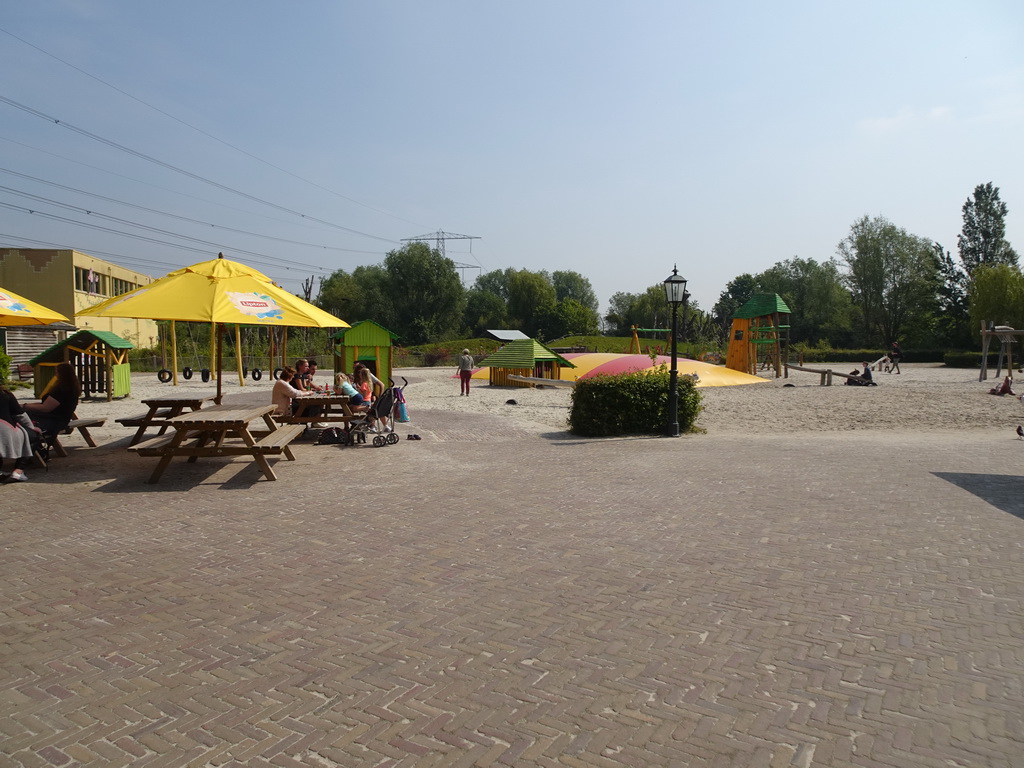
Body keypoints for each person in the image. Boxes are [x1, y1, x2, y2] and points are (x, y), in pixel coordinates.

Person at [23, 362, 81, 435]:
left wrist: (25, 406)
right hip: (62, 419)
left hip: (53, 420)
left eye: (56, 372)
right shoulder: (72, 388)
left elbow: (46, 407)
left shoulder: (61, 390)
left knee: (23, 415)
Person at [0, 384, 41, 482]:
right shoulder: (5, 394)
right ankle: (18, 471)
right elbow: (19, 414)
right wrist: (31, 427)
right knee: (33, 436)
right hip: (5, 430)